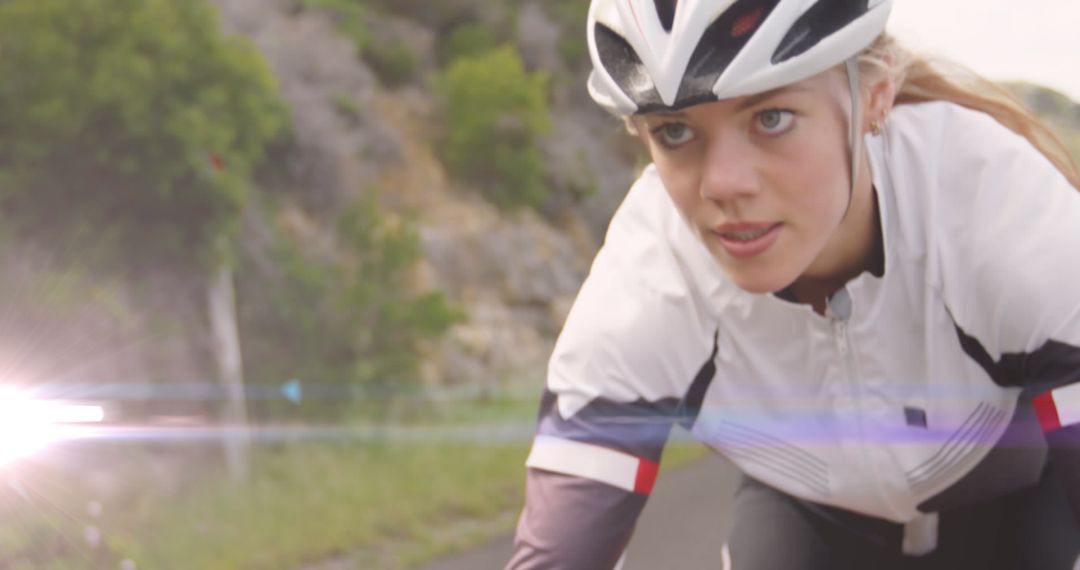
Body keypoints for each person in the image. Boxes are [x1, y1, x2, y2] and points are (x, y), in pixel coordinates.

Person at [505, 0, 1080, 569]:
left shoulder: (998, 208)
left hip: (1018, 506)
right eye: (675, 132)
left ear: (873, 94)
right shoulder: (651, 273)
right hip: (809, 520)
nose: (723, 186)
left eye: (771, 118)